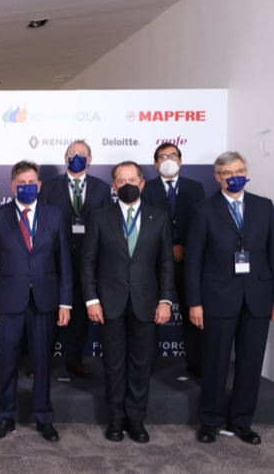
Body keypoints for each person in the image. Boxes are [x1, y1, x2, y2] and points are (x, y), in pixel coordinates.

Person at [81, 161, 174, 443]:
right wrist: (91, 300)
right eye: (121, 180)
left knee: (141, 364)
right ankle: (115, 420)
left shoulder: (158, 217)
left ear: (142, 183)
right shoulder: (99, 217)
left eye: (132, 179)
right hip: (109, 304)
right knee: (113, 365)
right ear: (114, 186)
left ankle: (136, 419)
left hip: (147, 303)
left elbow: (166, 263)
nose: (127, 184)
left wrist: (166, 300)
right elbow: (87, 262)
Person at [186, 151, 274, 445]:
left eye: (240, 170)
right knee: (215, 363)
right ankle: (210, 421)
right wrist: (195, 302)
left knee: (250, 364)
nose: (235, 176)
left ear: (246, 171)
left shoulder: (265, 207)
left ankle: (242, 422)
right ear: (218, 178)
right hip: (217, 299)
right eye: (228, 173)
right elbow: (193, 262)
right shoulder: (203, 210)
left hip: (257, 299)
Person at [0, 160, 72, 442]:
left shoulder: (55, 216)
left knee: (43, 363)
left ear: (40, 185)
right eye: (22, 183)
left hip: (45, 302)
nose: (28, 187)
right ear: (12, 186)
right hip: (8, 302)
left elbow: (65, 262)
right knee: (7, 363)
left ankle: (43, 417)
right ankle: (5, 417)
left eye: (32, 182)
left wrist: (65, 302)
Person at [38, 140, 110, 378]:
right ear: (65, 159)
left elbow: (106, 225)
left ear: (90, 160)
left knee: (79, 312)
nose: (76, 157)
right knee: (48, 313)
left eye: (81, 154)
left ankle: (74, 360)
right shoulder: (48, 187)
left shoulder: (101, 187)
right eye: (71, 154)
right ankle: (42, 364)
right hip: (54, 259)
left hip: (88, 261)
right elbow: (40, 222)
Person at [140, 142, 205, 377]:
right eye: (163, 156)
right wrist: (168, 249)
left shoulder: (195, 188)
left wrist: (184, 247)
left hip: (189, 261)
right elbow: (145, 226)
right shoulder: (146, 190)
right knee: (151, 314)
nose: (168, 159)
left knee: (193, 311)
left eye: (173, 155)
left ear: (180, 160)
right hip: (157, 262)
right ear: (156, 163)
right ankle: (147, 366)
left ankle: (197, 365)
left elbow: (201, 224)